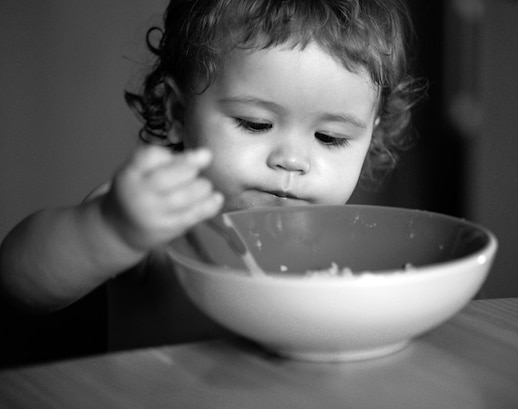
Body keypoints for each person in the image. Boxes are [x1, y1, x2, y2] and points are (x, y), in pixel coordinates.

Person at [0, 0, 425, 350]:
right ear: (178, 112)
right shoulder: (162, 220)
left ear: (372, 136)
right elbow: (19, 280)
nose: (292, 160)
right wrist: (110, 228)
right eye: (256, 124)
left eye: (330, 137)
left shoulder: (358, 247)